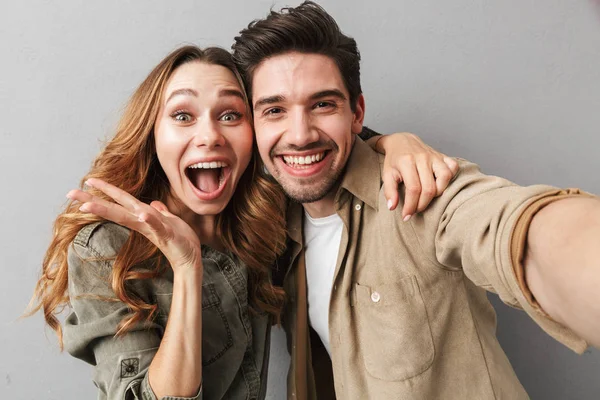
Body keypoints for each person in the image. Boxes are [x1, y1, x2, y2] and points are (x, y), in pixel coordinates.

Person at [28, 45, 456, 399]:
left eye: (231, 115)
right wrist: (185, 265)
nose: (210, 135)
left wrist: (395, 144)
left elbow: (318, 140)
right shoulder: (107, 247)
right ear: (151, 133)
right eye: (182, 116)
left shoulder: (265, 218)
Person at [231, 2, 600, 399]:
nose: (300, 134)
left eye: (323, 104)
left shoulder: (419, 190)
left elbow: (508, 229)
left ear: (356, 114)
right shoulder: (270, 227)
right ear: (253, 123)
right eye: (274, 110)